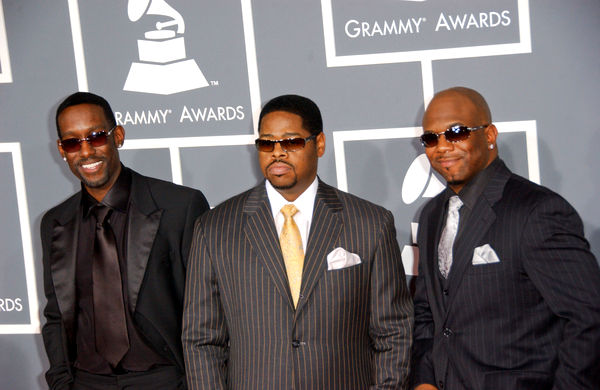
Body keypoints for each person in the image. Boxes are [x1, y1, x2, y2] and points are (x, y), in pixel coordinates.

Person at [182, 94, 413, 389]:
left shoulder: (370, 223)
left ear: (319, 144)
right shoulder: (215, 229)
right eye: (267, 144)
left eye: (291, 142)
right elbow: (201, 340)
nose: (277, 153)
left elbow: (393, 330)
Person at [411, 86, 600, 389]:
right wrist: (425, 379)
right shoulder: (432, 215)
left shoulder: (537, 211)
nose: (442, 147)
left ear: (489, 135)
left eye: (456, 132)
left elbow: (588, 320)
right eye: (431, 138)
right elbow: (428, 312)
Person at [41, 92, 210, 389]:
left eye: (95, 137)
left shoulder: (179, 207)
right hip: (87, 382)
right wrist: (61, 381)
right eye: (72, 142)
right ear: (62, 150)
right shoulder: (56, 222)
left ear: (117, 135)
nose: (86, 152)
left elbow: (206, 309)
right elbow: (56, 315)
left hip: (163, 381)